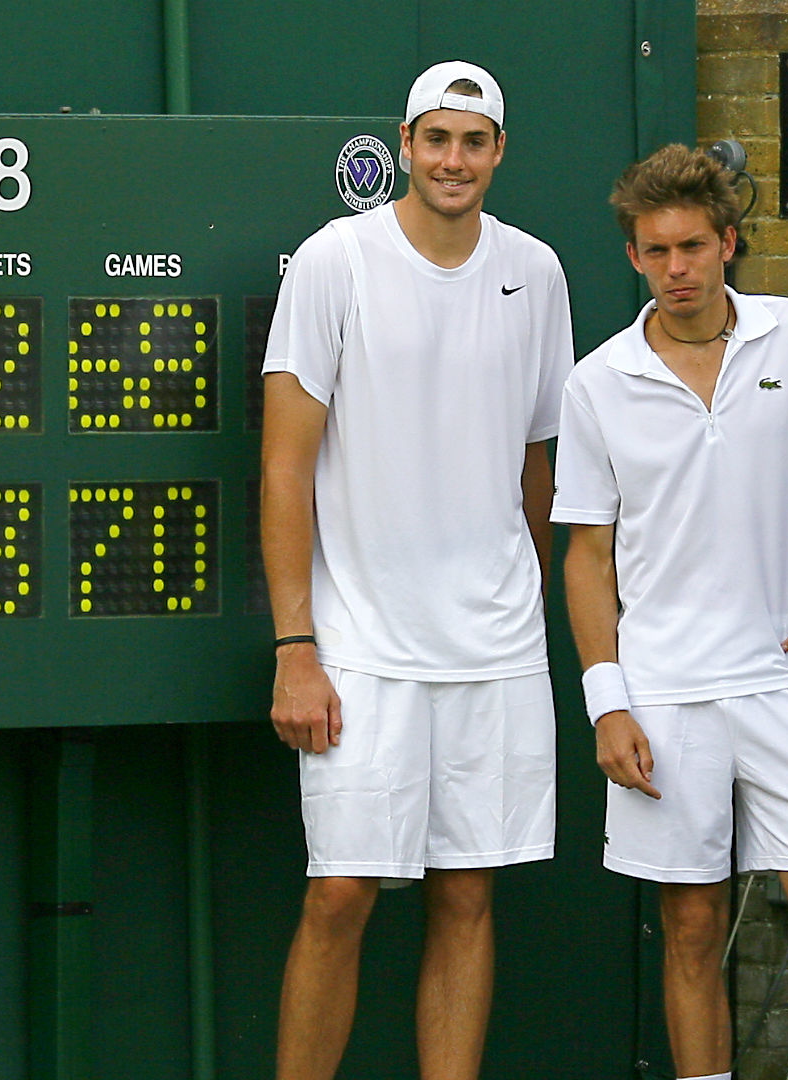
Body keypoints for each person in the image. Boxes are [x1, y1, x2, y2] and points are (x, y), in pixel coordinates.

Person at [261, 60, 571, 1080]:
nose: (453, 160)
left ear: (498, 153)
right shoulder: (332, 261)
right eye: (437, 139)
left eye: (473, 142)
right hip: (359, 649)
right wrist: (296, 647)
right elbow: (285, 464)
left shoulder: (539, 272)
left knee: (469, 895)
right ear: (404, 143)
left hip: (495, 647)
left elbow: (538, 464)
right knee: (340, 894)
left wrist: (543, 612)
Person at [555, 143, 788, 1080]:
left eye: (692, 247)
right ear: (632, 257)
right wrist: (606, 701)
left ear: (728, 241)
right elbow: (587, 555)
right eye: (655, 252)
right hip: (662, 695)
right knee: (691, 929)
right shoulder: (597, 382)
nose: (676, 270)